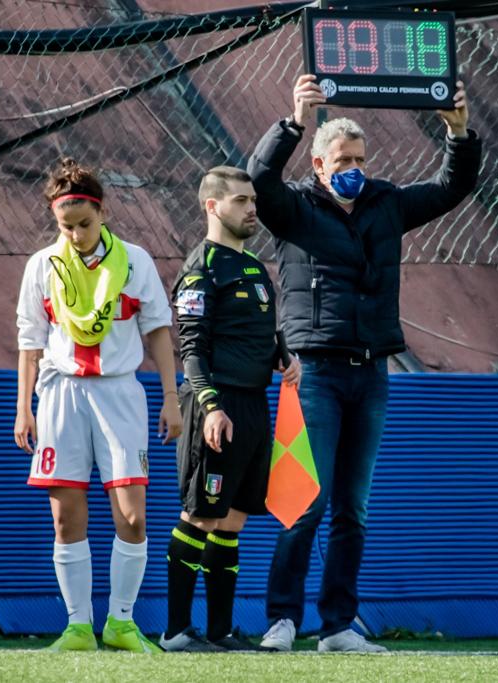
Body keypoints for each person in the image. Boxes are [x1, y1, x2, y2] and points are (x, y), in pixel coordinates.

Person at [247, 75, 482, 652]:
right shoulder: (296, 210)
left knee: (354, 507)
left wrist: (459, 134)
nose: (353, 166)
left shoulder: (386, 204)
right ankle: (282, 618)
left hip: (372, 371)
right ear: (321, 165)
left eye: (359, 157)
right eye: (342, 159)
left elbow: (453, 186)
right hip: (317, 371)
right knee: (309, 499)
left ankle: (338, 625)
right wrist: (293, 123)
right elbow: (258, 179)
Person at [14, 158, 183, 653]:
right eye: (65, 226)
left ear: (103, 212)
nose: (75, 234)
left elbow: (157, 329)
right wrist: (24, 407)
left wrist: (172, 399)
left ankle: (122, 622)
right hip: (61, 394)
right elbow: (30, 340)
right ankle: (78, 626)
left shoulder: (135, 260)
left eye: (84, 224)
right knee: (67, 516)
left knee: (132, 515)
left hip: (119, 393)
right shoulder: (42, 265)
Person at [160, 167, 302, 652]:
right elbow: (192, 348)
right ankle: (176, 631)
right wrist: (211, 406)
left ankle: (219, 631)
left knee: (234, 519)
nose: (252, 210)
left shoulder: (254, 267)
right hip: (216, 405)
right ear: (212, 206)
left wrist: (284, 355)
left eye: (253, 201)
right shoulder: (201, 268)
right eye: (241, 201)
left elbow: (260, 329)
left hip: (255, 405)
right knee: (199, 515)